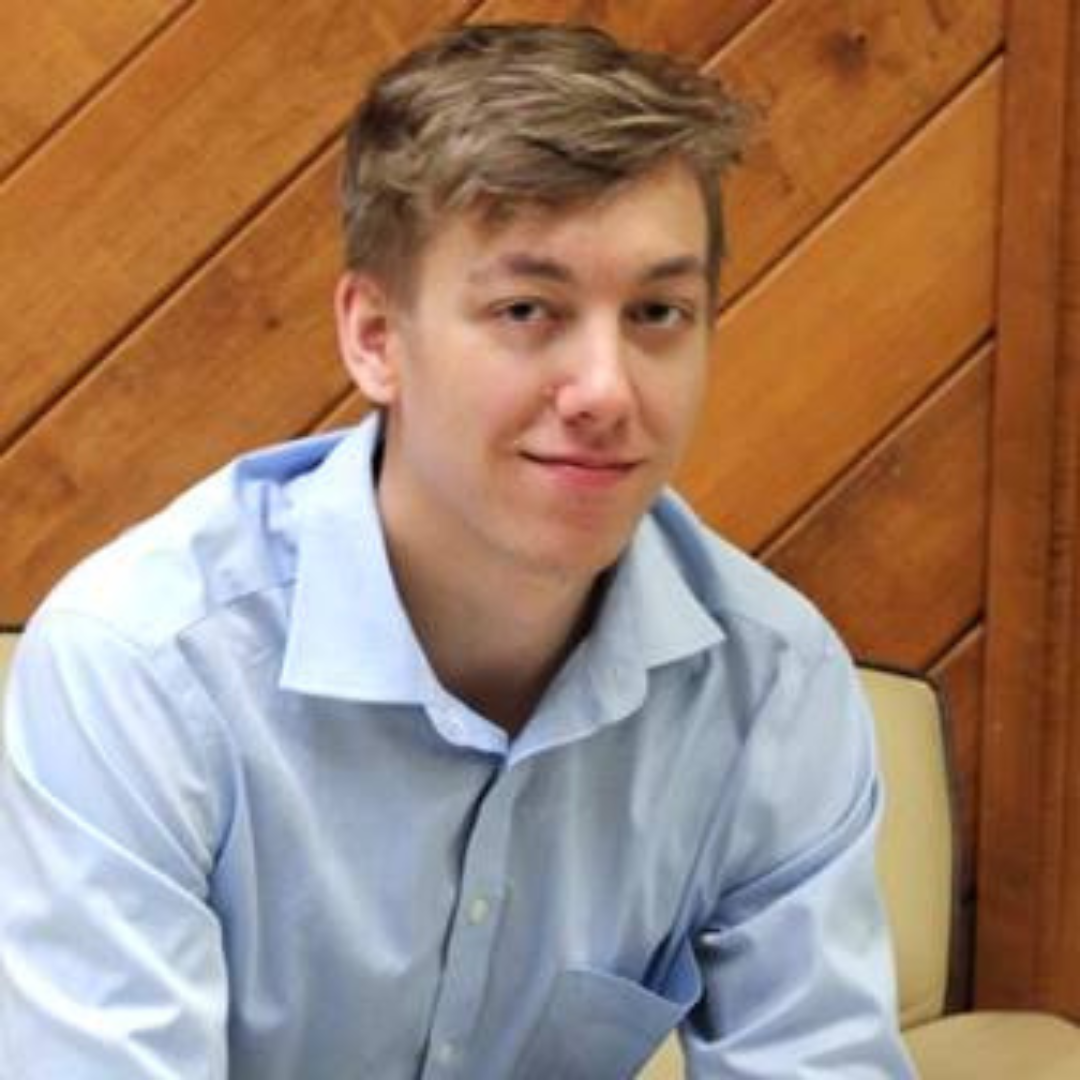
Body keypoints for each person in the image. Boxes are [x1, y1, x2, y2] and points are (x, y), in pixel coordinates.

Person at [0, 22, 915, 1080]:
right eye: (528, 310)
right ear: (375, 338)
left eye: (659, 311)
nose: (609, 391)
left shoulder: (772, 686)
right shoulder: (144, 668)